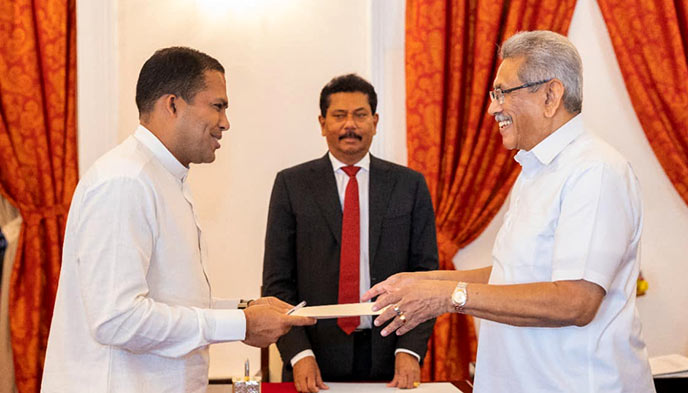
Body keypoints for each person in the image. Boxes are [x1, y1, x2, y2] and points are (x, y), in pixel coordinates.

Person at [363, 31, 656, 393]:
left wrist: (448, 297)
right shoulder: (535, 170)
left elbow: (576, 301)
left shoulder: (595, 170)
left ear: (551, 95)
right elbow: (513, 273)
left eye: (503, 93)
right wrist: (425, 283)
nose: (493, 108)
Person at [41, 47, 315, 393]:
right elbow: (117, 319)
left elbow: (171, 304)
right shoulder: (126, 181)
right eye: (218, 106)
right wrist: (240, 324)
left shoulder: (164, 180)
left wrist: (245, 310)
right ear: (172, 105)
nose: (225, 123)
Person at [262, 74, 438, 392]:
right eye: (339, 116)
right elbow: (278, 283)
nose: (350, 125)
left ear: (375, 120)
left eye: (359, 115)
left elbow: (425, 277)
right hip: (313, 358)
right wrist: (299, 354)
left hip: (391, 356)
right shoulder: (292, 185)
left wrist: (409, 349)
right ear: (322, 122)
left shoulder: (409, 185)